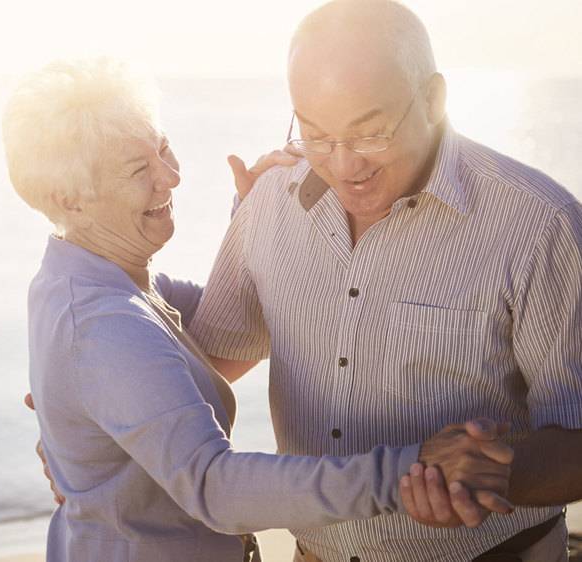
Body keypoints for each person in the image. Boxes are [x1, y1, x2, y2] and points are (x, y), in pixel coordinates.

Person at [3, 57, 514, 562]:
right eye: (140, 170)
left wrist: (257, 224)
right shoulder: (102, 324)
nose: (172, 177)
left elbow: (240, 323)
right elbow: (216, 487)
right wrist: (410, 468)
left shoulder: (99, 282)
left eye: (163, 149)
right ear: (69, 200)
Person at [191, 1, 582, 560]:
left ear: (433, 99)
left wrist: (487, 475)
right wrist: (89, 421)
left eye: (370, 133)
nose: (345, 164)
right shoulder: (269, 204)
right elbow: (212, 364)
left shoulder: (539, 223)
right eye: (318, 134)